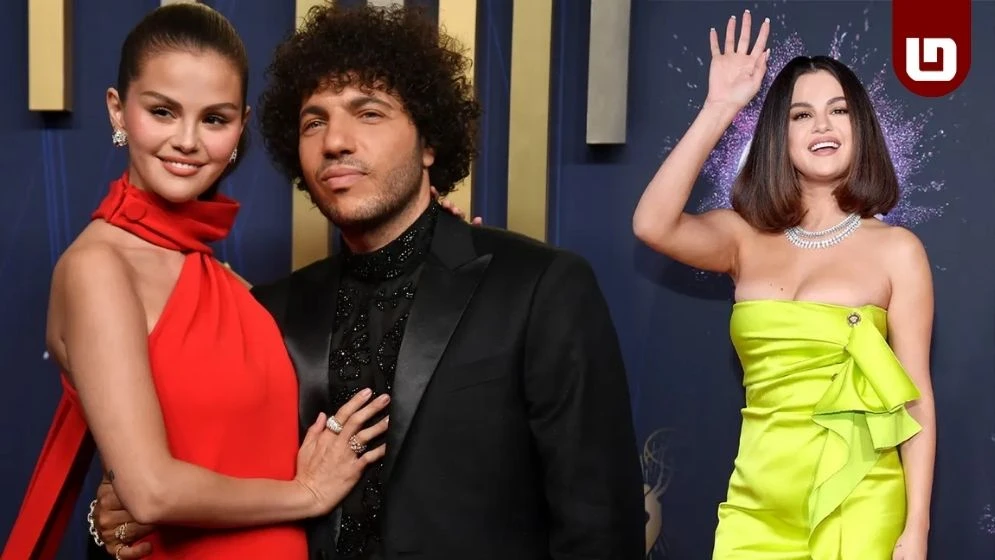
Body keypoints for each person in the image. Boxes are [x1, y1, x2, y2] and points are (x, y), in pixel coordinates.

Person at [92, 3, 647, 559]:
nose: (336, 141)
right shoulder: (267, 311)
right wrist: (115, 523)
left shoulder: (538, 288)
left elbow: (601, 529)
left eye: (369, 113)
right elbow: (179, 489)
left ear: (429, 142)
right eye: (314, 122)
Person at [1, 4, 394, 560]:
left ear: (240, 127)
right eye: (162, 111)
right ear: (117, 110)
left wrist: (428, 243)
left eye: (214, 119)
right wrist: (305, 493)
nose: (187, 140)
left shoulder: (225, 282)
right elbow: (151, 491)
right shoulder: (98, 267)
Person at [632, 10, 935, 560]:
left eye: (839, 110)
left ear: (860, 127)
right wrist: (720, 106)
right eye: (801, 115)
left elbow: (914, 401)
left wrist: (915, 531)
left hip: (859, 499)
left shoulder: (898, 250)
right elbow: (652, 224)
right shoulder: (742, 237)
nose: (822, 126)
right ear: (779, 133)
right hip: (757, 504)